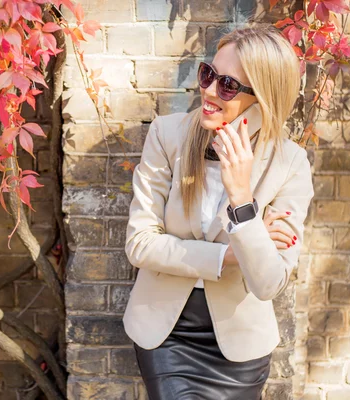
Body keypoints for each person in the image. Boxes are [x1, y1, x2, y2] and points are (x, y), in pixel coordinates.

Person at [122, 24, 315, 400]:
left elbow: (268, 283)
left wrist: (241, 198)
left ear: (263, 96)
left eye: (227, 85)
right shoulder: (167, 135)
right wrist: (228, 255)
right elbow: (140, 245)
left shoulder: (290, 163)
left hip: (240, 345)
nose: (208, 91)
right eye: (208, 74)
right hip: (165, 334)